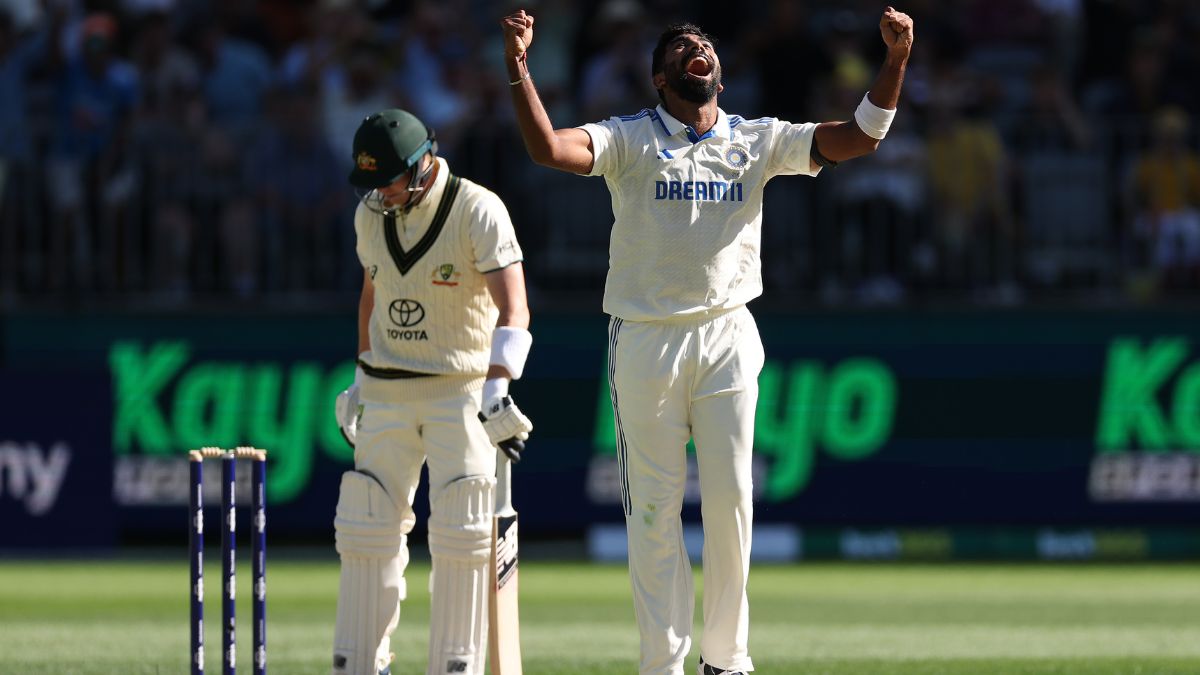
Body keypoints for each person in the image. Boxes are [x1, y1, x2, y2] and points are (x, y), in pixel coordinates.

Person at [501, 7, 914, 675]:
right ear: (661, 79)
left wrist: (893, 62)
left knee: (731, 504)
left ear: (718, 74)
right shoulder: (630, 138)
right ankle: (661, 663)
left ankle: (726, 659)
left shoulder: (755, 138)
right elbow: (548, 148)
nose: (697, 50)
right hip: (645, 338)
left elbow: (860, 138)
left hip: (726, 333)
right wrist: (519, 67)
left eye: (705, 45)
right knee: (655, 512)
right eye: (680, 49)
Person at [330, 108, 534, 675]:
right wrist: (360, 373)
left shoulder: (477, 208)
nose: (381, 195)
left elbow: (514, 307)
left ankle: (456, 666)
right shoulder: (369, 213)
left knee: (464, 536)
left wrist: (497, 388)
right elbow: (372, 293)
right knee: (366, 531)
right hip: (387, 390)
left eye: (389, 180)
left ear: (422, 165)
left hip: (459, 389)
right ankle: (360, 666)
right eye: (370, 183)